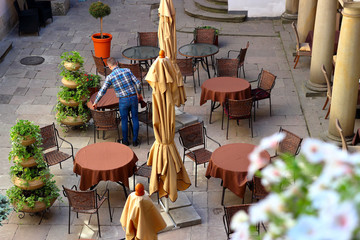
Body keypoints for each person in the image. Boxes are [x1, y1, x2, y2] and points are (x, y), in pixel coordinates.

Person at [93, 57, 142, 146]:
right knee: (135, 118)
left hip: (123, 100)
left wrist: (96, 102)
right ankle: (135, 141)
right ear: (117, 63)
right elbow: (138, 83)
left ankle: (125, 141)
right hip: (133, 97)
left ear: (109, 66)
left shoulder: (110, 77)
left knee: (124, 120)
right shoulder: (127, 70)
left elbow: (103, 91)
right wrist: (139, 94)